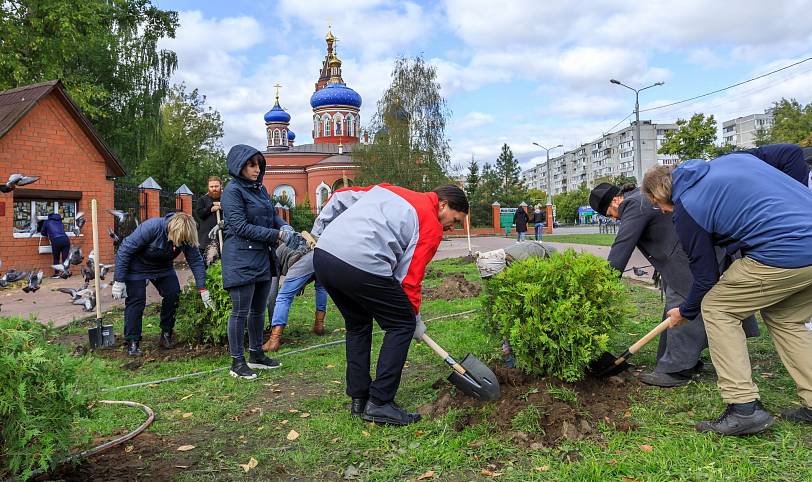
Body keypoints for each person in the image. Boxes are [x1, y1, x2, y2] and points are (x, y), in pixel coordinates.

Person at [642, 152, 812, 436]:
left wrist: (686, 311)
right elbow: (791, 154)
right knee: (785, 318)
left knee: (718, 308)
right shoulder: (733, 160)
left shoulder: (688, 207)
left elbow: (707, 276)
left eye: (657, 204)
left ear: (661, 193)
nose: (660, 211)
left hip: (785, 250)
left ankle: (744, 407)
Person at [312, 184, 468, 425]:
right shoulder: (430, 223)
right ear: (443, 205)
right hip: (360, 262)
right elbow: (409, 279)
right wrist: (412, 318)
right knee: (401, 325)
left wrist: (319, 232)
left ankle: (359, 398)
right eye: (455, 220)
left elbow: (339, 196)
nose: (453, 227)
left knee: (358, 324)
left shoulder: (389, 190)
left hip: (324, 257)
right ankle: (380, 402)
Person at [589, 182, 758, 387]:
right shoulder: (644, 197)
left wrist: (602, 287)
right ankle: (685, 360)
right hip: (694, 255)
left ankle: (676, 370)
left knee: (683, 305)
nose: (613, 218)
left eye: (609, 213)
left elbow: (621, 247)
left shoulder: (634, 204)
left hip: (687, 261)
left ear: (616, 200)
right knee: (675, 312)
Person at [220, 144, 299, 380]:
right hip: (241, 257)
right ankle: (237, 362)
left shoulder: (260, 189)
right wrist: (276, 235)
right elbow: (240, 226)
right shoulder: (232, 191)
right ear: (239, 166)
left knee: (258, 310)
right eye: (251, 165)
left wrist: (282, 225)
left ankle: (256, 354)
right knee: (240, 311)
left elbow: (270, 213)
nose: (256, 169)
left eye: (258, 165)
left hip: (262, 257)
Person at [112, 212, 212, 356]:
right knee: (137, 299)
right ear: (173, 230)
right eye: (179, 239)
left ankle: (166, 333)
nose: (180, 243)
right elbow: (124, 250)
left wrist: (202, 288)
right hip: (137, 267)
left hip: (163, 268)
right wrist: (119, 280)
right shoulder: (152, 228)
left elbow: (195, 260)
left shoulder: (186, 232)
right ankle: (132, 341)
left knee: (173, 294)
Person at [263, 248, 329, 352]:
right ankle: (319, 325)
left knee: (283, 297)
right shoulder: (290, 241)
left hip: (303, 262)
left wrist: (272, 321)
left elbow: (272, 294)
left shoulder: (274, 254)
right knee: (321, 288)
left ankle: (274, 340)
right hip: (320, 257)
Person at [195, 176, 222, 261]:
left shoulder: (227, 199)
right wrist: (210, 209)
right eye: (211, 186)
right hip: (206, 240)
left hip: (223, 239)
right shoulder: (202, 200)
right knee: (206, 266)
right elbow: (199, 215)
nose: (214, 189)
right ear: (208, 187)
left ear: (221, 186)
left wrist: (222, 206)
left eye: (216, 186)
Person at [40, 212, 70, 278]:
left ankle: (57, 274)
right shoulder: (60, 221)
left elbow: (43, 233)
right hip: (66, 239)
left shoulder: (47, 222)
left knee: (56, 258)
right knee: (65, 258)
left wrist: (48, 233)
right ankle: (66, 273)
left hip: (56, 240)